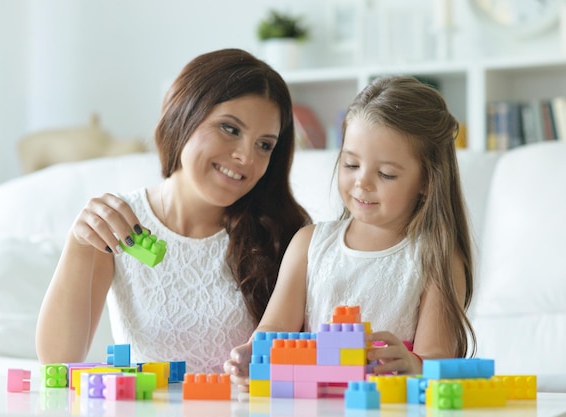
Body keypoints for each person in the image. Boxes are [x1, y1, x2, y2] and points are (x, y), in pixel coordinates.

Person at [35, 48, 311, 373]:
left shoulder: (286, 233)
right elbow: (57, 360)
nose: (246, 157)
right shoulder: (120, 223)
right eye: (230, 129)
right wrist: (79, 245)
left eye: (264, 145)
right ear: (184, 115)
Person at [225, 75, 477, 390]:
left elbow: (439, 357)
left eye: (386, 174)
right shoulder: (309, 243)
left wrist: (413, 364)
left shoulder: (434, 257)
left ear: (427, 181)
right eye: (351, 165)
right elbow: (275, 327)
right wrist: (254, 354)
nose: (362, 183)